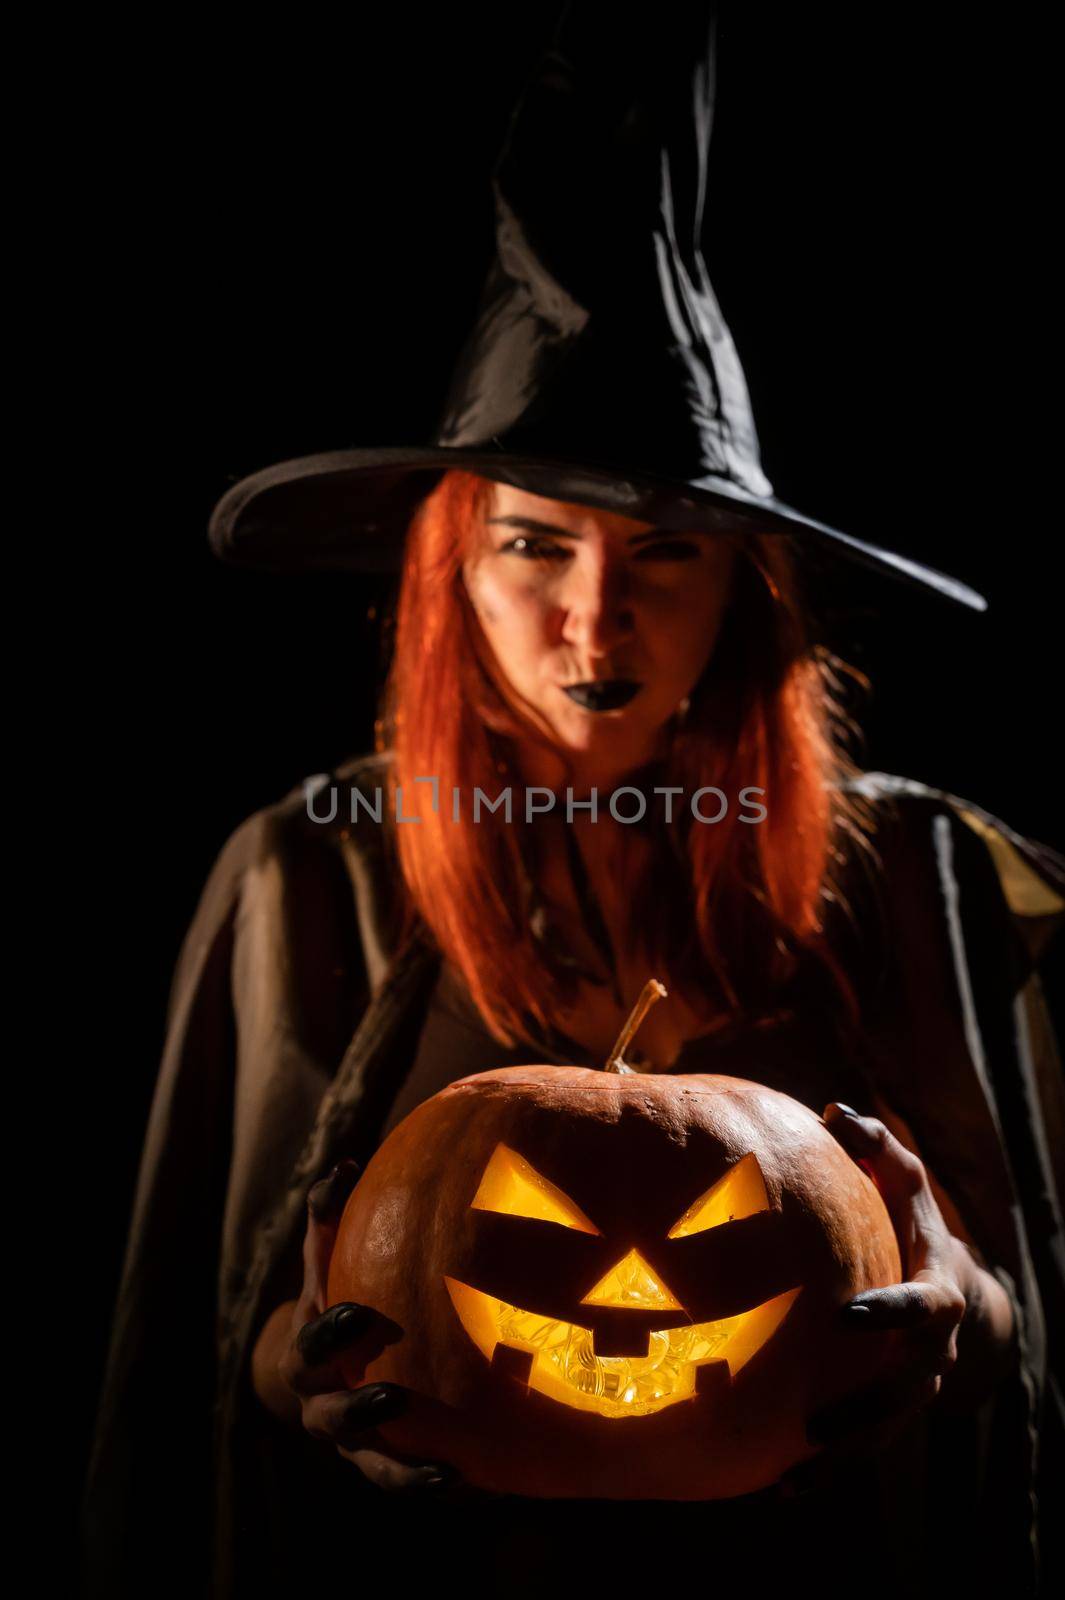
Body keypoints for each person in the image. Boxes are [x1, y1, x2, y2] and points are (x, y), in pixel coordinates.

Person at [84, 6, 1064, 1596]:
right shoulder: (302, 872)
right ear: (449, 575)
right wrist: (299, 1372)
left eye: (664, 554)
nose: (595, 626)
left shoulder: (914, 868)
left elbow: (1022, 1295)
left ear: (745, 593)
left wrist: (968, 1306)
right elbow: (205, 1339)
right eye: (534, 545)